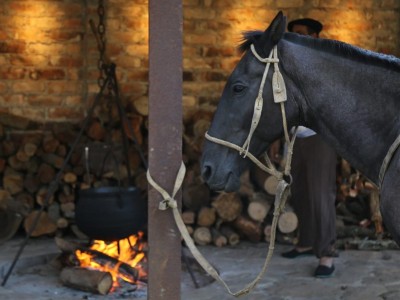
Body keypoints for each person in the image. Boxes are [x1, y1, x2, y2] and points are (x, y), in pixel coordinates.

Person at [278, 18, 338, 278]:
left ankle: (326, 255)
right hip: (295, 137)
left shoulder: (325, 64)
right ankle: (305, 242)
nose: (296, 38)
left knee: (321, 196)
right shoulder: (289, 65)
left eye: (301, 34)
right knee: (300, 191)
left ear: (314, 36)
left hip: (319, 136)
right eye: (293, 35)